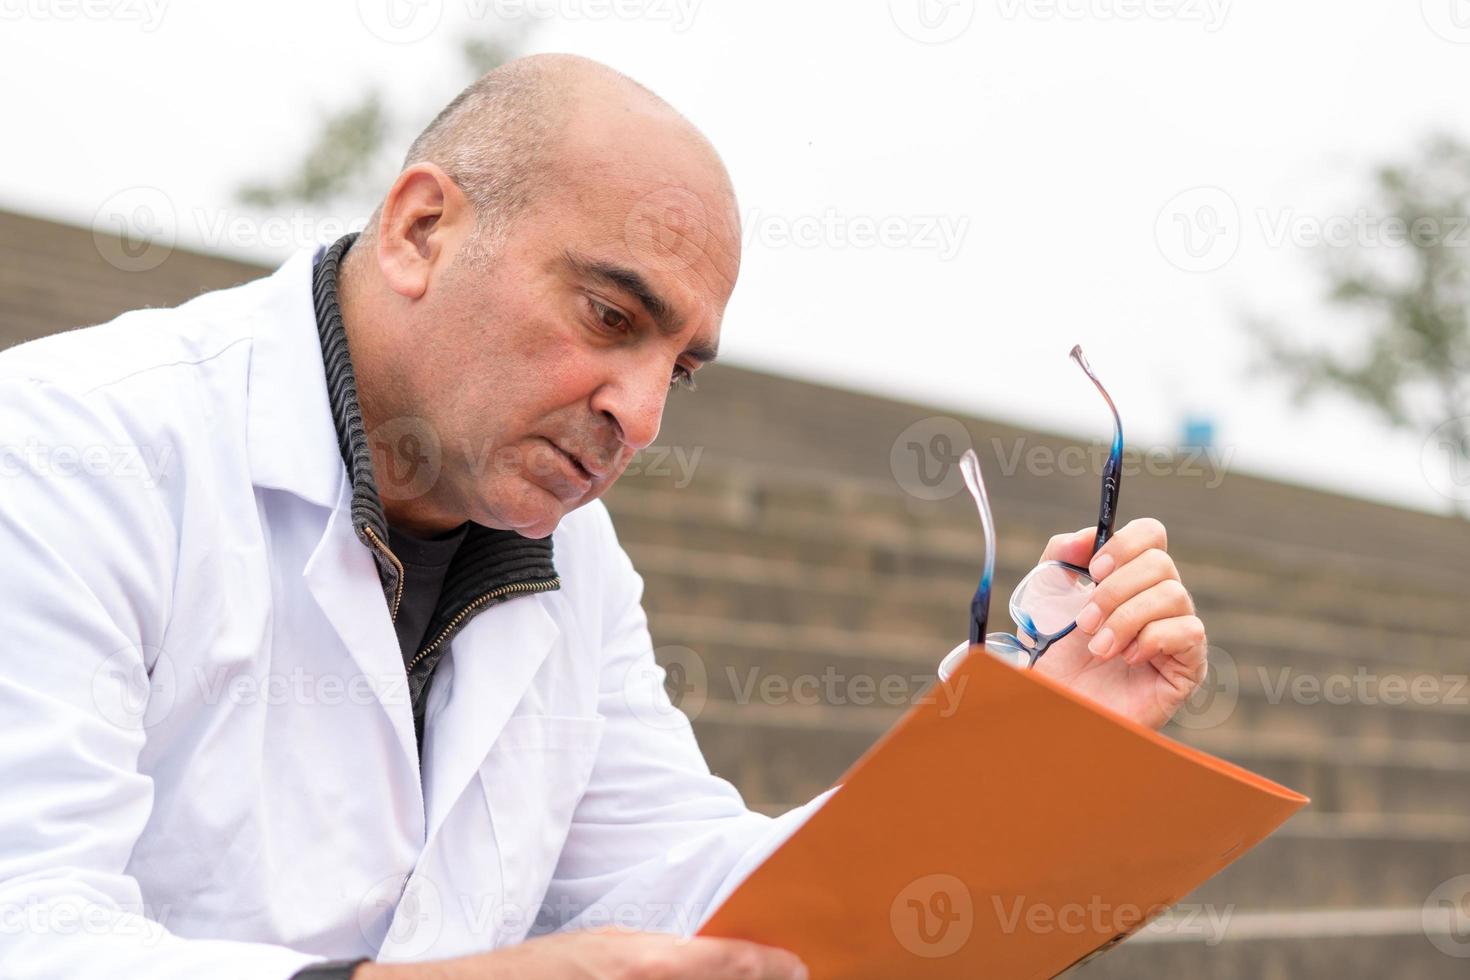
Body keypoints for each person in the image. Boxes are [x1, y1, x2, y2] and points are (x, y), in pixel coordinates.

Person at [0, 54, 1207, 979]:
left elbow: (679, 892)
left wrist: (1020, 741)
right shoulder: (68, 452)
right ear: (424, 228)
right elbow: (30, 925)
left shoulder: (570, 552)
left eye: (678, 367)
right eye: (609, 318)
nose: (639, 415)